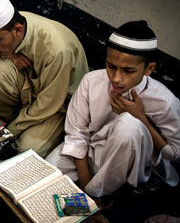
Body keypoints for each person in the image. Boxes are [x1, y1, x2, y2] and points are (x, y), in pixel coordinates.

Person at [45, 20, 180, 206]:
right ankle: (98, 191)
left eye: (128, 70)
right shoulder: (91, 82)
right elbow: (76, 134)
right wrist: (86, 183)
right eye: (111, 66)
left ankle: (106, 193)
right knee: (44, 176)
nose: (116, 78)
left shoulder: (165, 102)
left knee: (128, 126)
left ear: (149, 69)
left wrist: (141, 117)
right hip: (91, 151)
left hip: (133, 162)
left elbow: (174, 153)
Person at [0, 0, 89, 158]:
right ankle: (3, 124)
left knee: (25, 150)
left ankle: (9, 131)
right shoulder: (15, 23)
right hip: (32, 88)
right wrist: (11, 54)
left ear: (17, 31)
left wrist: (11, 131)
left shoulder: (57, 50)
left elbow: (48, 103)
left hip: (59, 104)